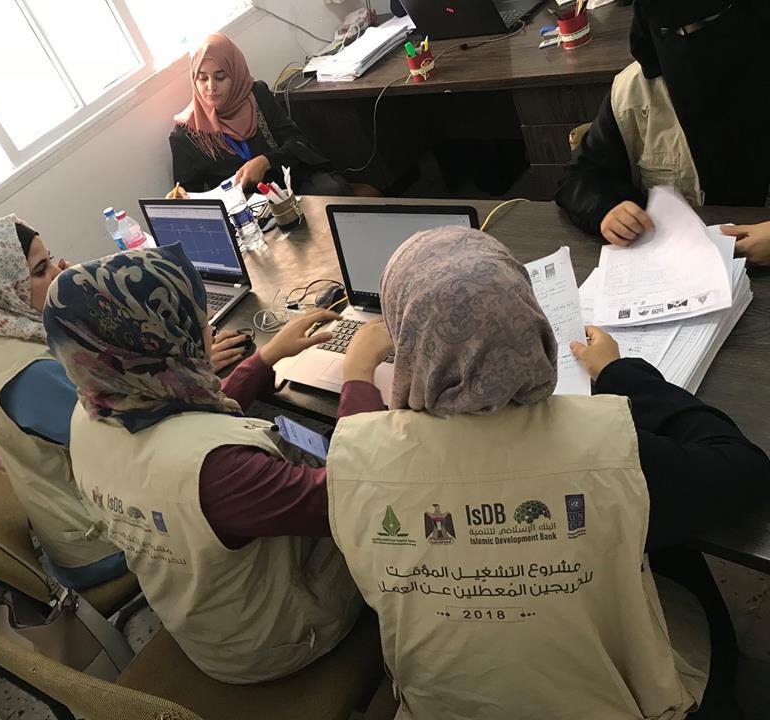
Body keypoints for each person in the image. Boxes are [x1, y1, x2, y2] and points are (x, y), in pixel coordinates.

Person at [328, 226, 770, 719]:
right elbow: (744, 470)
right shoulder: (608, 446)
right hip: (610, 702)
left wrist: (357, 376)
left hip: (445, 704)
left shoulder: (355, 455)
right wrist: (621, 374)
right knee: (670, 545)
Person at [43, 245, 365, 684]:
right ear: (159, 340)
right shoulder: (217, 472)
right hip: (279, 639)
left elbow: (182, 421)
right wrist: (359, 376)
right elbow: (351, 497)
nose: (208, 324)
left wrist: (263, 359)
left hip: (205, 621)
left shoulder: (91, 411)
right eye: (193, 317)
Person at [0, 215, 248, 590]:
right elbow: (140, 436)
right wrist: (192, 364)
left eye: (52, 260)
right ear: (3, 290)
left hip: (83, 499)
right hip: (99, 538)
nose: (58, 274)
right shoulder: (31, 374)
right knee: (235, 483)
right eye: (40, 271)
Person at [555, 0, 770, 249]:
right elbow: (581, 176)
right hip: (687, 258)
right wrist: (606, 210)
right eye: (672, 32)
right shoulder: (635, 92)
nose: (689, 40)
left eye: (706, 24)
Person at [168, 33, 352, 197]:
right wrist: (180, 199)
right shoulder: (186, 134)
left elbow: (298, 143)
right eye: (202, 78)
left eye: (220, 77)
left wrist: (267, 161)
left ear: (235, 73)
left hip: (292, 189)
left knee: (332, 192)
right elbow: (188, 193)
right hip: (244, 213)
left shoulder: (257, 96)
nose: (210, 87)